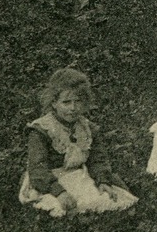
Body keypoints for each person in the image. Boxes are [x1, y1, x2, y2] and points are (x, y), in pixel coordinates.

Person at [18, 67, 138, 217]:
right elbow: (38, 168)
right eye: (66, 102)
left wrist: (102, 181)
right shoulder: (42, 130)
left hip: (80, 176)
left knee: (108, 198)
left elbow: (97, 159)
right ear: (54, 103)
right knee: (59, 207)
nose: (73, 108)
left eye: (78, 102)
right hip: (51, 180)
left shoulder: (87, 128)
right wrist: (59, 192)